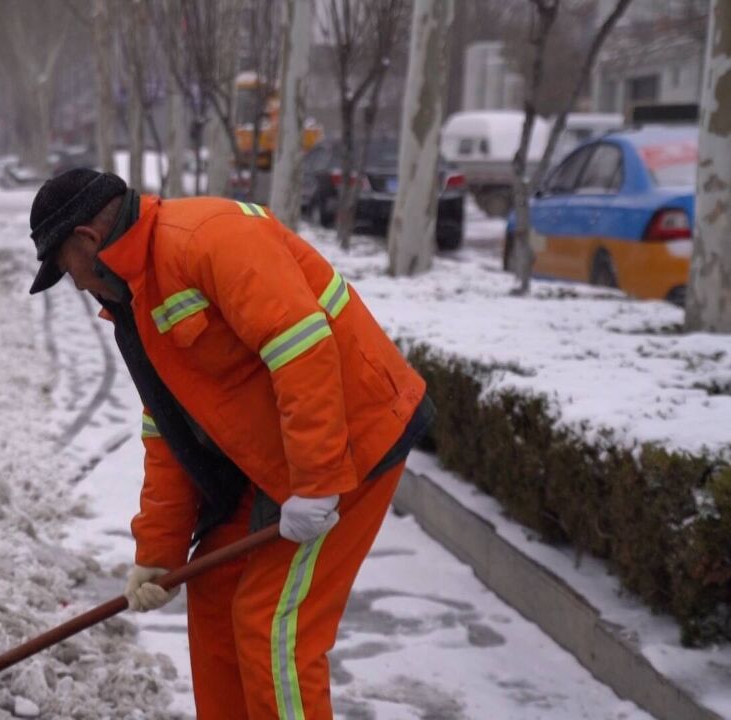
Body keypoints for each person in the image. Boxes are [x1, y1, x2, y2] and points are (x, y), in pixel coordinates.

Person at [26, 169, 434, 719]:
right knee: (216, 590)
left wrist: (316, 484)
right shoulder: (140, 296)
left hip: (350, 440)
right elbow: (169, 429)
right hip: (273, 463)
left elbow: (303, 348)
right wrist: (159, 555)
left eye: (63, 267)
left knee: (272, 626)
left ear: (87, 240)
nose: (73, 283)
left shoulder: (206, 238)